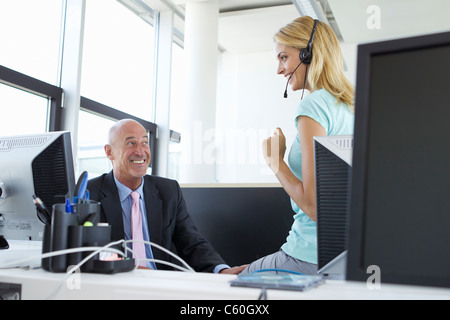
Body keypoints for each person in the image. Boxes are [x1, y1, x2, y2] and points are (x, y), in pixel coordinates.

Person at [240, 16, 355, 275]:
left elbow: (314, 207)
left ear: (307, 54)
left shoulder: (313, 106)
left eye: (283, 57)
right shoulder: (350, 105)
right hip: (344, 256)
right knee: (251, 269)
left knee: (238, 280)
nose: (279, 69)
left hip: (307, 255)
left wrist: (275, 162)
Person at [87, 119, 246, 274]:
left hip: (162, 284)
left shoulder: (168, 191)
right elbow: (88, 252)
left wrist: (222, 270)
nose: (141, 151)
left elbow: (192, 243)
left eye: (144, 142)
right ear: (109, 152)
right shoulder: (89, 194)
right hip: (115, 284)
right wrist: (129, 268)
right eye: (131, 143)